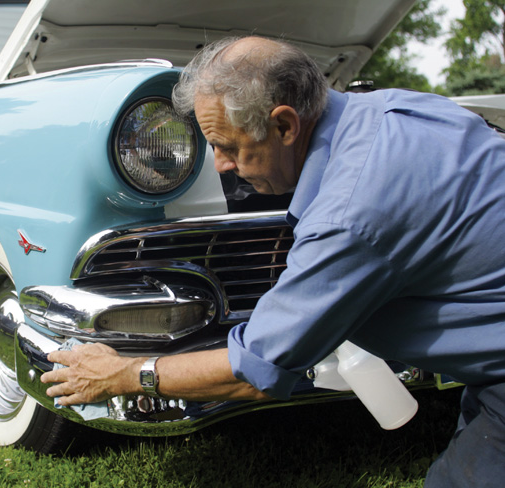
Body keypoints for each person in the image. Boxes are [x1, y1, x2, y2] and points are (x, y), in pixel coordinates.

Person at [40, 36, 505, 486]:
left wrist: (126, 372)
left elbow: (255, 371)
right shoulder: (399, 107)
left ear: (285, 125)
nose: (220, 164)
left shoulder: (351, 213)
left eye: (228, 146)